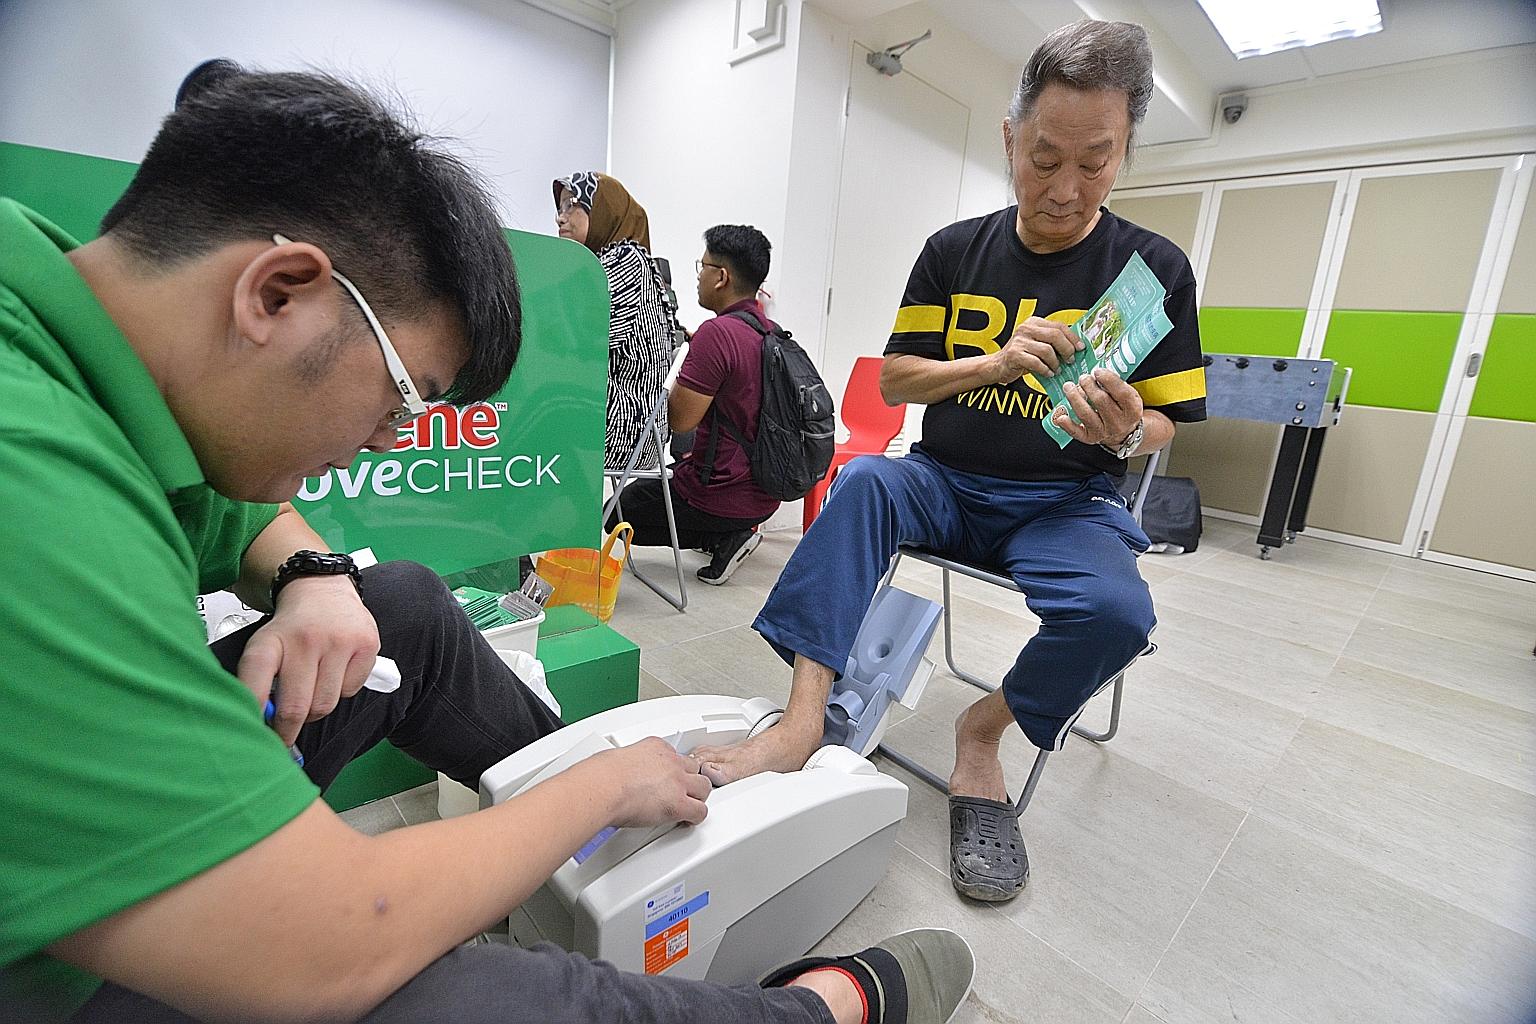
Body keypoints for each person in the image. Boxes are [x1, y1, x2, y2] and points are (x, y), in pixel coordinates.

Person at [0, 63, 977, 1024]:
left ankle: (604, 856)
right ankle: (820, 1008)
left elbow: (242, 512)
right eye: (402, 395)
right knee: (496, 993)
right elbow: (327, 940)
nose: (389, 437)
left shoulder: (70, 330)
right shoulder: (32, 494)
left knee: (408, 610)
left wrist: (310, 571)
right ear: (276, 295)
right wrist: (600, 785)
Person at [692, 20, 1208, 904]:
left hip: (1064, 500)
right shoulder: (954, 251)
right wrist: (995, 362)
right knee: (861, 483)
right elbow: (896, 381)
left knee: (1118, 612)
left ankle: (983, 733)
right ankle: (802, 721)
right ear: (1011, 137)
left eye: (1097, 162)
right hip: (943, 482)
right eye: (1045, 158)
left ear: (1126, 154)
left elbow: (1167, 425)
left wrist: (1124, 431)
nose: (1067, 189)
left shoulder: (1153, 271)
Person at [607, 224, 781, 585]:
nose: (698, 276)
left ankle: (720, 536)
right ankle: (728, 532)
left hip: (719, 493)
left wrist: (677, 372)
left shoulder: (716, 333)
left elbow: (681, 421)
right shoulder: (768, 330)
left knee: (617, 513)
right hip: (765, 491)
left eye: (702, 267)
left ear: (721, 277)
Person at [553, 171, 678, 472]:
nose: (560, 218)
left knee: (510, 423)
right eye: (559, 208)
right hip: (627, 422)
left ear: (602, 210)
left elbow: (576, 340)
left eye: (572, 204)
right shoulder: (606, 262)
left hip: (627, 429)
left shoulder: (625, 259)